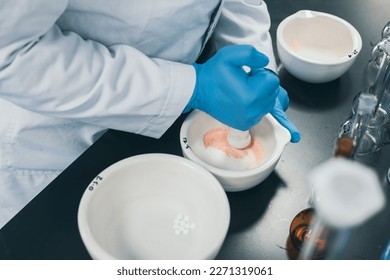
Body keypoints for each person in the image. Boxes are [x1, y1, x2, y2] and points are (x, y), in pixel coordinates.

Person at [0, 0, 300, 229]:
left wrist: (252, 68)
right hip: (60, 145)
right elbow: (11, 55)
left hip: (170, 117)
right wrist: (192, 87)